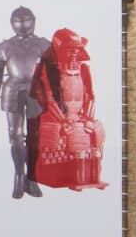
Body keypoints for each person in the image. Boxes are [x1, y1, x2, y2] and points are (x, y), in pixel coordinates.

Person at [0, 5, 52, 200]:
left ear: (33, 21)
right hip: (12, 91)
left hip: (36, 91)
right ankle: (19, 175)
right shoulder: (5, 47)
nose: (23, 24)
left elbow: (54, 74)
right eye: (19, 21)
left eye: (26, 20)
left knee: (36, 138)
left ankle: (32, 177)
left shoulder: (43, 45)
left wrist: (58, 97)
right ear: (13, 23)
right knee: (15, 135)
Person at [31, 26, 107, 190]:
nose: (74, 54)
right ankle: (70, 176)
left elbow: (90, 96)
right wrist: (63, 120)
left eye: (76, 50)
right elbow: (47, 99)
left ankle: (91, 176)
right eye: (69, 49)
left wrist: (88, 119)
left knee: (97, 129)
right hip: (55, 117)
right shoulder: (47, 70)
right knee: (62, 132)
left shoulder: (84, 70)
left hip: (79, 118)